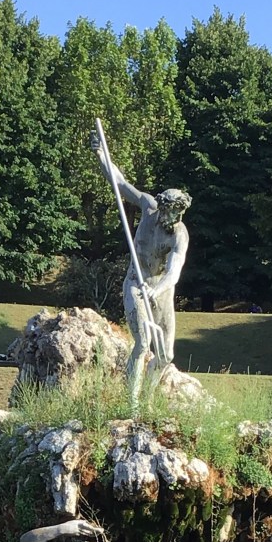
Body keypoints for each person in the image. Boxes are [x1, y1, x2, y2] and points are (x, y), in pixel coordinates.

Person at [91, 130, 191, 399]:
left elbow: (174, 272)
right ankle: (131, 401)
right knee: (143, 343)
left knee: (166, 354)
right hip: (137, 283)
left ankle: (147, 399)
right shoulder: (148, 207)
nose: (174, 218)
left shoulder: (179, 235)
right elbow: (121, 183)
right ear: (162, 207)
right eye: (171, 212)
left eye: (179, 213)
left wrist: (156, 291)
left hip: (161, 289)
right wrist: (101, 155)